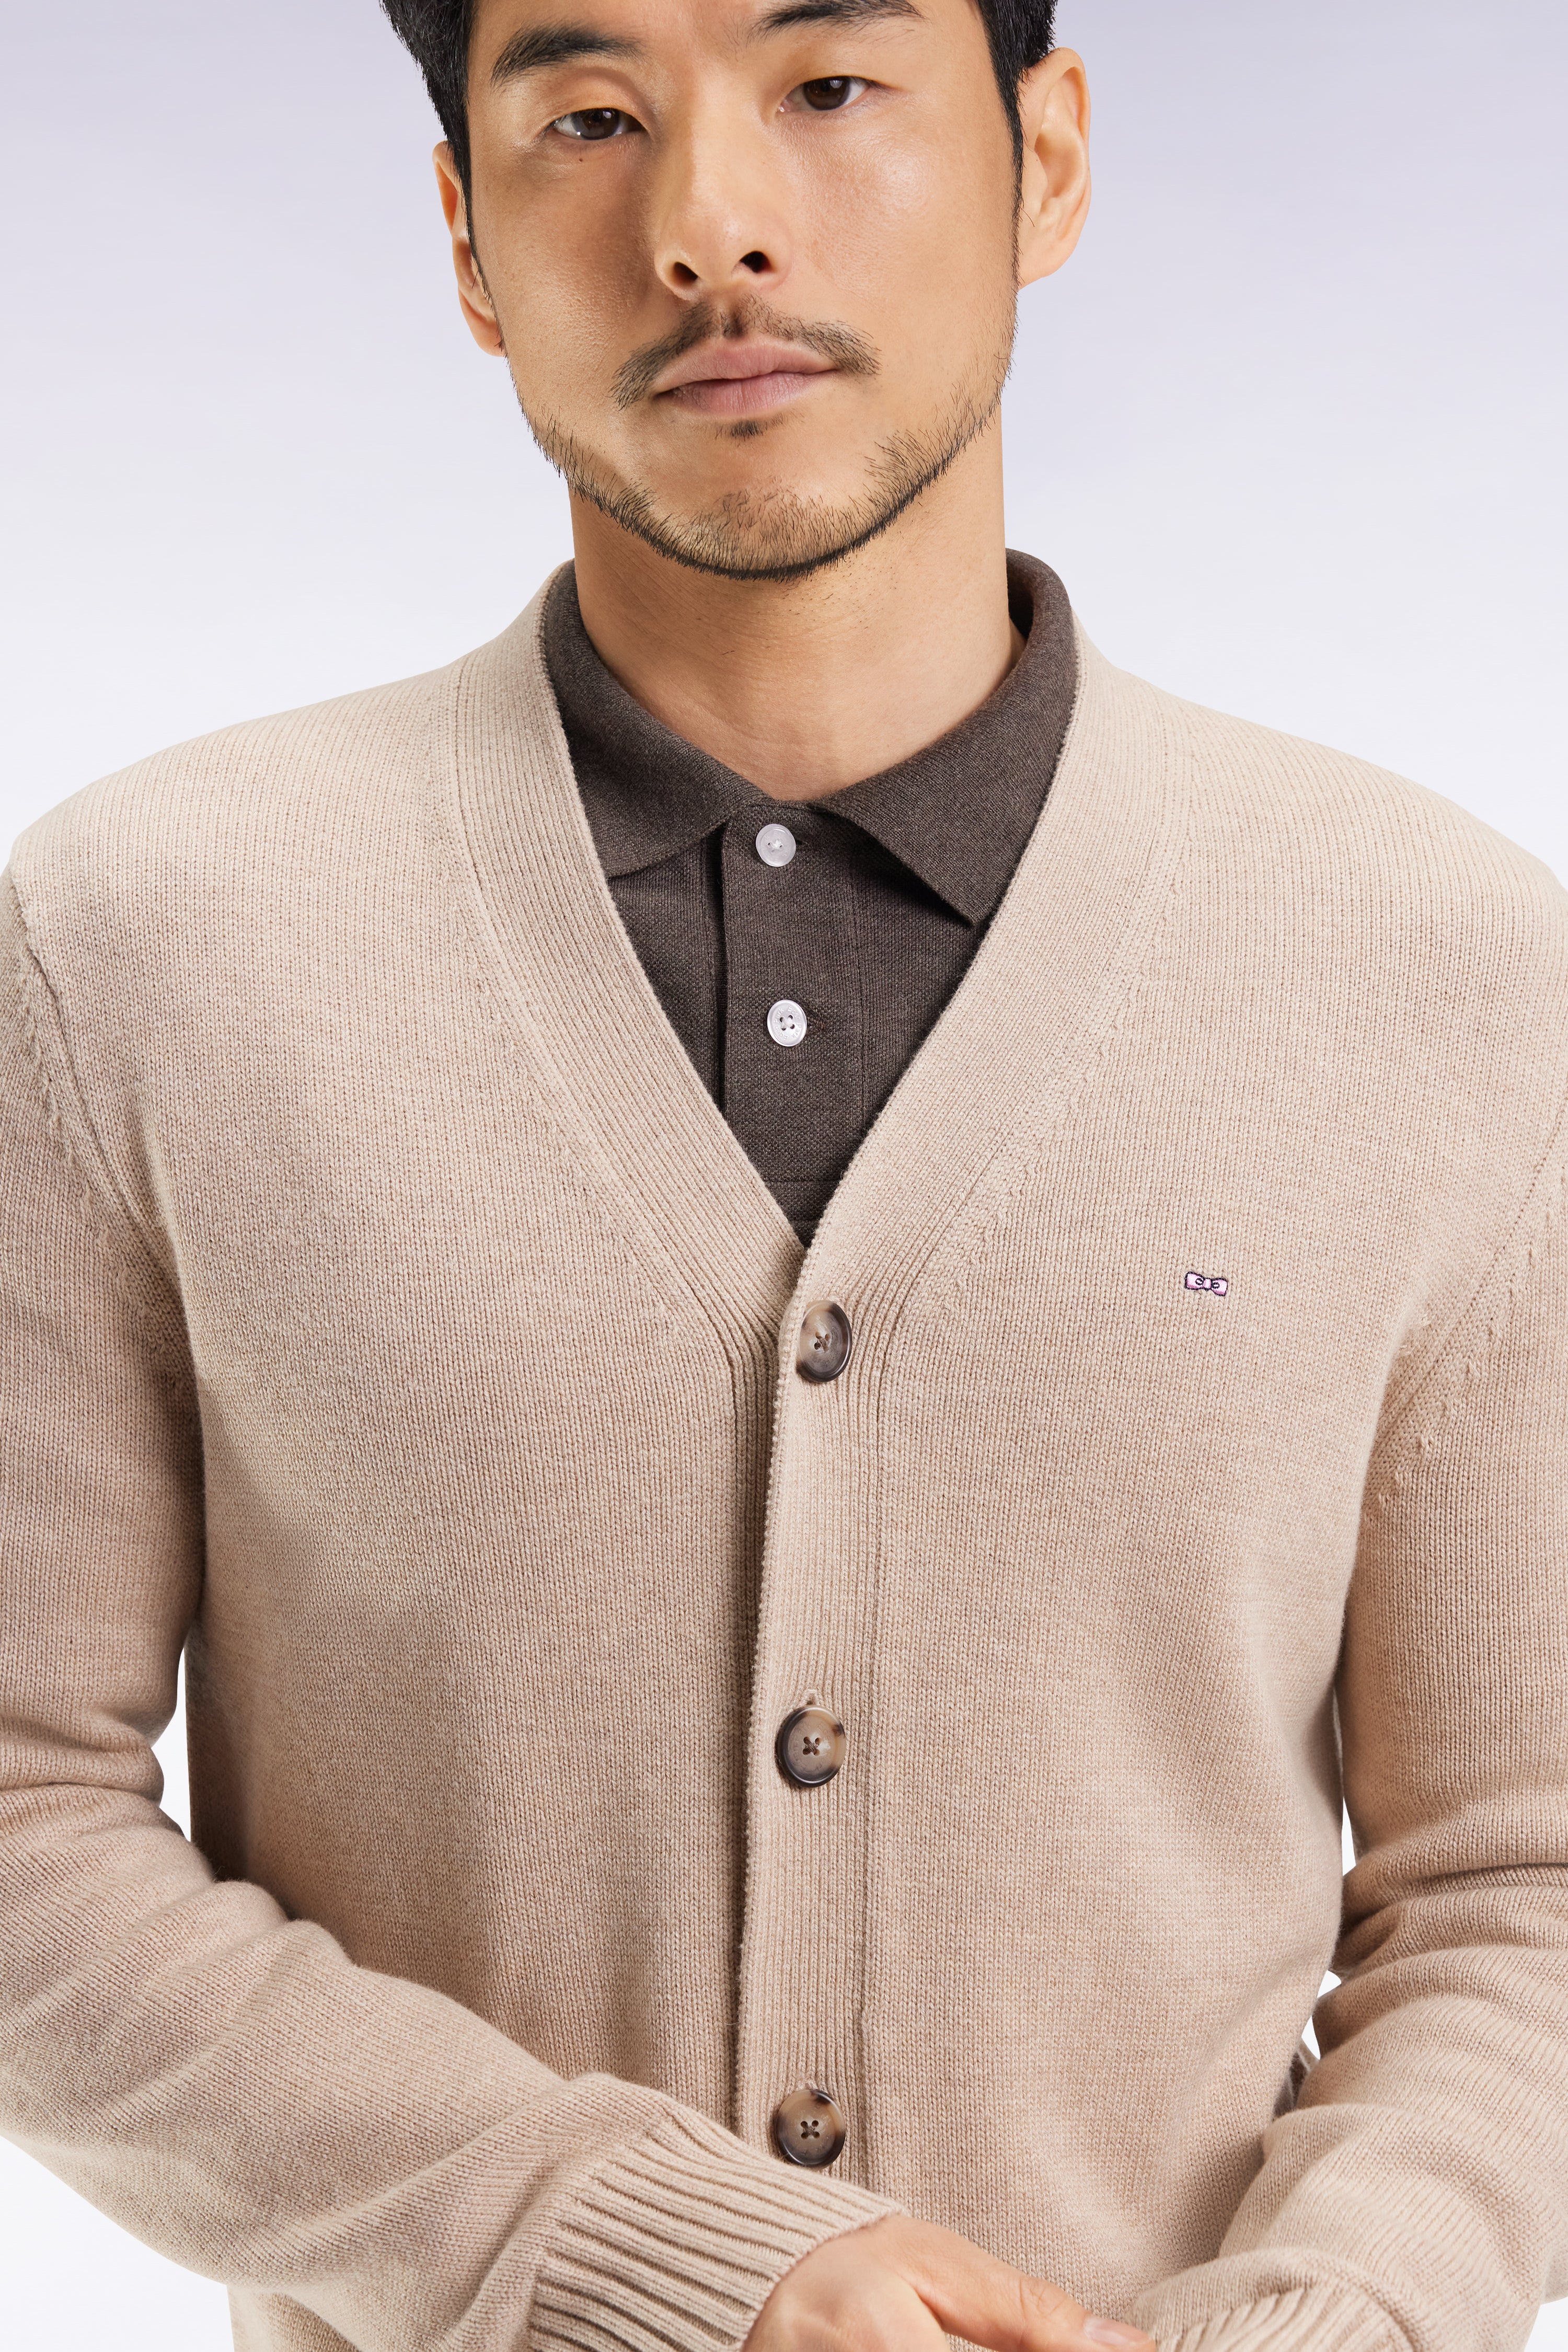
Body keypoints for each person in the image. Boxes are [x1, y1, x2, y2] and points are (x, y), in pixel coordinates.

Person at [2, 3, 1564, 2351]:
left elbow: (1520, 1890)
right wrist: (645, 2255)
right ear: (466, 241)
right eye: (589, 117)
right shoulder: (140, 940)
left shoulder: (1440, 968)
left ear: (1047, 159)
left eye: (829, 87)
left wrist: (1332, 2322)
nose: (709, 223)